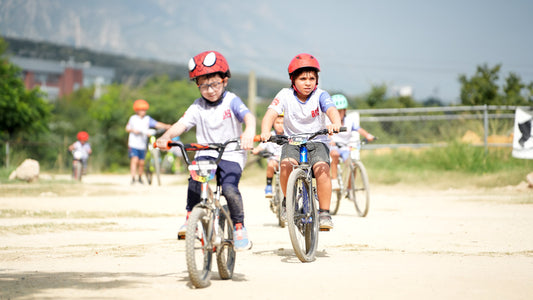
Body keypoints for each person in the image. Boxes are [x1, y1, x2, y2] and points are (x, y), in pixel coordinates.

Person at [156, 50, 255, 250]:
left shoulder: (231, 101)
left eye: (215, 84)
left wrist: (249, 132)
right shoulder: (197, 106)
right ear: (198, 86)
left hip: (231, 153)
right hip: (206, 153)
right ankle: (190, 218)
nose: (210, 90)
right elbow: (182, 124)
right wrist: (166, 137)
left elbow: (248, 117)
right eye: (203, 85)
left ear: (224, 81)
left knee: (229, 189)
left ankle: (238, 227)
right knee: (195, 179)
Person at [260, 53, 342, 230]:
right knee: (285, 165)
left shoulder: (321, 95)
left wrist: (335, 123)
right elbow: (270, 114)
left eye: (312, 78)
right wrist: (265, 131)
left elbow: (332, 109)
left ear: (317, 80)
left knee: (322, 168)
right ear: (293, 80)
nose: (308, 82)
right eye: (303, 78)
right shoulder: (284, 95)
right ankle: (287, 200)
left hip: (317, 140)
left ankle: (325, 213)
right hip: (292, 141)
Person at [328, 94, 375, 190]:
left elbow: (359, 129)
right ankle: (334, 180)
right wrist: (330, 140)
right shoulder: (329, 122)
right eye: (336, 112)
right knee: (334, 155)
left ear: (345, 111)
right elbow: (327, 134)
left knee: (352, 165)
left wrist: (368, 135)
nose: (338, 114)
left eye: (340, 111)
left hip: (345, 147)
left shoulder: (349, 121)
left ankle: (350, 188)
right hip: (334, 146)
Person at [125, 99, 171, 185]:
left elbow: (157, 124)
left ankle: (140, 177)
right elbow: (127, 128)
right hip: (133, 143)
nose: (144, 112)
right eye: (142, 110)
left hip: (142, 144)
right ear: (137, 110)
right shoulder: (133, 118)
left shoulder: (147, 119)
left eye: (145, 110)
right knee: (134, 160)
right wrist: (134, 130)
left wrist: (166, 126)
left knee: (141, 162)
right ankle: (133, 178)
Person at [252, 113, 284, 199]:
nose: (280, 125)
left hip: (285, 162)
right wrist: (255, 150)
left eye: (283, 123)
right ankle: (269, 185)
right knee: (271, 163)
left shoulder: (288, 135)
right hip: (275, 161)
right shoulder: (269, 135)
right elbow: (261, 146)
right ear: (273, 124)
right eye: (278, 123)